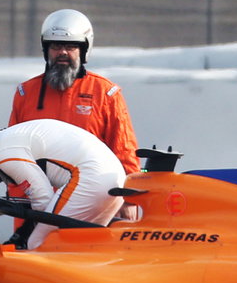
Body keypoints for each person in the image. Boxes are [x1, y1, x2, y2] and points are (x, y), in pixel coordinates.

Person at [0, 119, 125, 249]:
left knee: (39, 243)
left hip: (92, 177)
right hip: (113, 178)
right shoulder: (10, 138)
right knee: (88, 248)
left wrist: (27, 235)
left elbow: (42, 197)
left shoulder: (3, 154)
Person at [11, 9, 141, 174]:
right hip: (37, 195)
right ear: (46, 50)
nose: (62, 52)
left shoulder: (106, 94)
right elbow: (13, 153)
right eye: (56, 46)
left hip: (90, 194)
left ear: (83, 50)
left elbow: (124, 152)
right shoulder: (26, 93)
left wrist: (128, 196)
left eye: (71, 46)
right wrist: (20, 196)